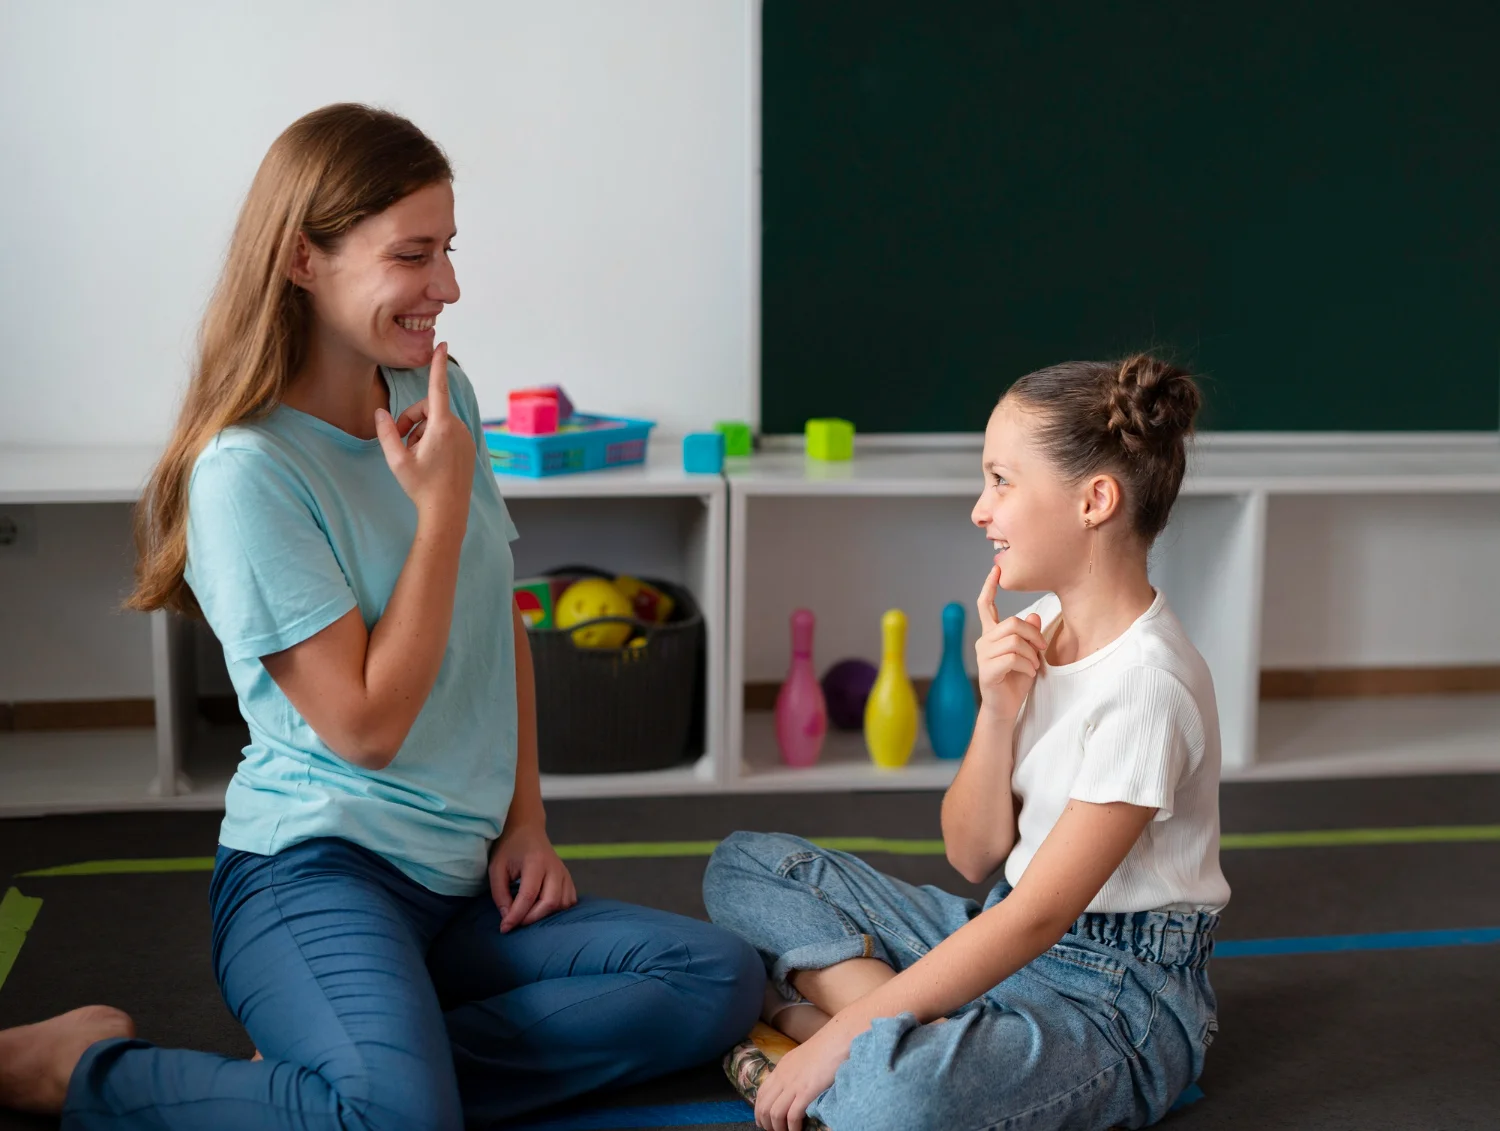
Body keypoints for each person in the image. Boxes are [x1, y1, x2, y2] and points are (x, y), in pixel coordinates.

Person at [0, 102, 762, 1130]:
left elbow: (495, 622)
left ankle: (350, 1076)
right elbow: (365, 729)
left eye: (448, 249)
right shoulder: (246, 472)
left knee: (714, 976)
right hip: (315, 874)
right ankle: (80, 1072)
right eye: (413, 254)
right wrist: (438, 512)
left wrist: (526, 821)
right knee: (397, 1115)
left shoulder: (440, 395)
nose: (447, 286)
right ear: (302, 259)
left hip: (462, 885)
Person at [705, 354, 1231, 1131]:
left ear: (1094, 500)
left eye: (1001, 481)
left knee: (898, 1102)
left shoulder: (1148, 686)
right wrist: (997, 712)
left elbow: (1038, 918)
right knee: (744, 866)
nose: (981, 510)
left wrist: (837, 1038)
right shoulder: (1041, 626)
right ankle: (906, 1033)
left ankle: (833, 1029)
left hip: (1115, 997)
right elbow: (972, 854)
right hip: (1000, 926)